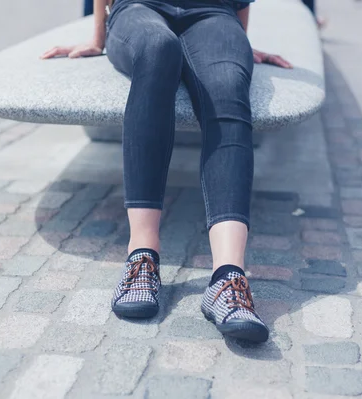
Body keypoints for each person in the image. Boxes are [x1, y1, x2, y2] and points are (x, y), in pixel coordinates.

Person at [41, 0, 291, 343]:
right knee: (158, 48)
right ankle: (142, 255)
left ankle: (228, 277)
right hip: (138, 10)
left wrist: (236, 43)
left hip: (214, 12)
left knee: (228, 81)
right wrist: (98, 37)